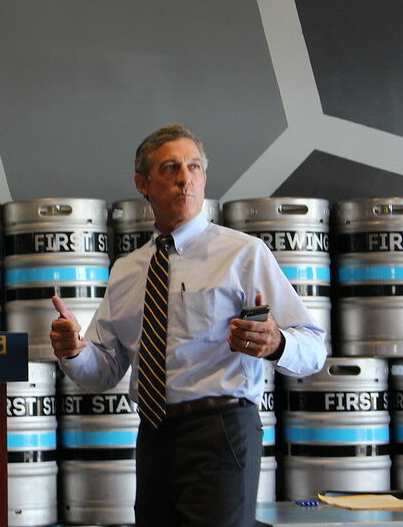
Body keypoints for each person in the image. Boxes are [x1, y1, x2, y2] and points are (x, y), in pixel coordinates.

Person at [50, 125, 326, 526]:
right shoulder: (127, 270)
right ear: (142, 183)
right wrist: (74, 350)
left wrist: (277, 342)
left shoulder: (243, 255)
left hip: (221, 432)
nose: (185, 177)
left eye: (194, 167)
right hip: (154, 435)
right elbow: (104, 370)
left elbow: (314, 348)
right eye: (170, 167)